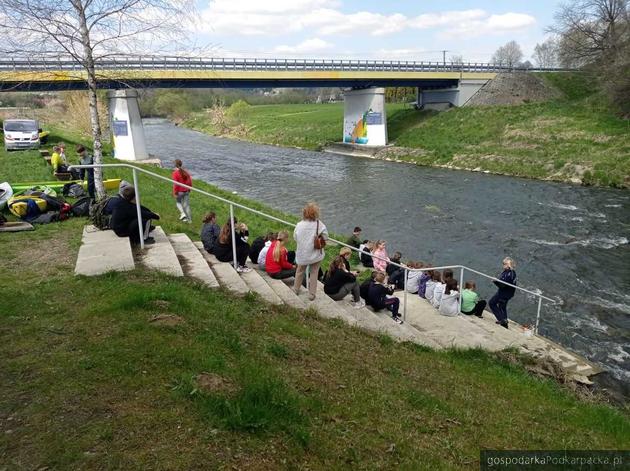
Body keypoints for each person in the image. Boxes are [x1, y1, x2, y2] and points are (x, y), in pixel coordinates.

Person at [293, 202, 328, 301]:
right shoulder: (319, 224)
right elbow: (326, 237)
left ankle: (296, 289)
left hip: (302, 254)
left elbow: (295, 237)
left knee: (299, 271)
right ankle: (311, 294)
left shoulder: (299, 225)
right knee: (314, 273)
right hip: (315, 254)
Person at [489, 257, 517, 329]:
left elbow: (503, 286)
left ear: (509, 265)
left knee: (492, 303)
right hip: (506, 292)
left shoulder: (510, 274)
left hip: (504, 293)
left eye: (505, 264)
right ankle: (505, 322)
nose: (503, 265)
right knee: (502, 306)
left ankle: (502, 320)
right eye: (503, 263)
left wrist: (495, 281)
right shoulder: (507, 272)